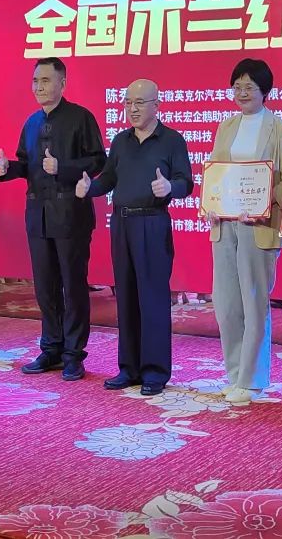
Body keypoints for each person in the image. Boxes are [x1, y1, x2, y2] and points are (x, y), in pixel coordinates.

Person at [76, 79, 192, 396]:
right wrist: (90, 188)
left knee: (152, 298)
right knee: (126, 296)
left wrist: (169, 188)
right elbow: (109, 178)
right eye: (128, 102)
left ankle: (155, 371)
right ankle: (128, 367)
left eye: (139, 102)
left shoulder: (172, 140)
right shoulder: (121, 141)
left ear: (157, 105)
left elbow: (186, 182)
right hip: (122, 223)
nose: (133, 109)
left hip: (152, 222)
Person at [0, 57, 106, 381]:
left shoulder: (81, 118)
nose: (39, 87)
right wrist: (7, 169)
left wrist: (64, 168)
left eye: (45, 80)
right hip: (38, 216)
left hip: (71, 215)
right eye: (35, 81)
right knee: (45, 287)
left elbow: (99, 161)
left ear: (62, 83)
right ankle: (51, 348)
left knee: (73, 286)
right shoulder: (31, 123)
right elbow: (26, 163)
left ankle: (74, 355)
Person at [204, 59, 282, 403]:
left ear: (265, 91)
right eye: (237, 87)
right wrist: (211, 202)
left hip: (258, 225)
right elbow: (216, 172)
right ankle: (234, 375)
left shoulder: (280, 128)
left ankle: (253, 380)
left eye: (249, 87)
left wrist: (261, 202)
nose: (242, 93)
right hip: (225, 224)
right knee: (226, 303)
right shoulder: (226, 126)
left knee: (254, 301)